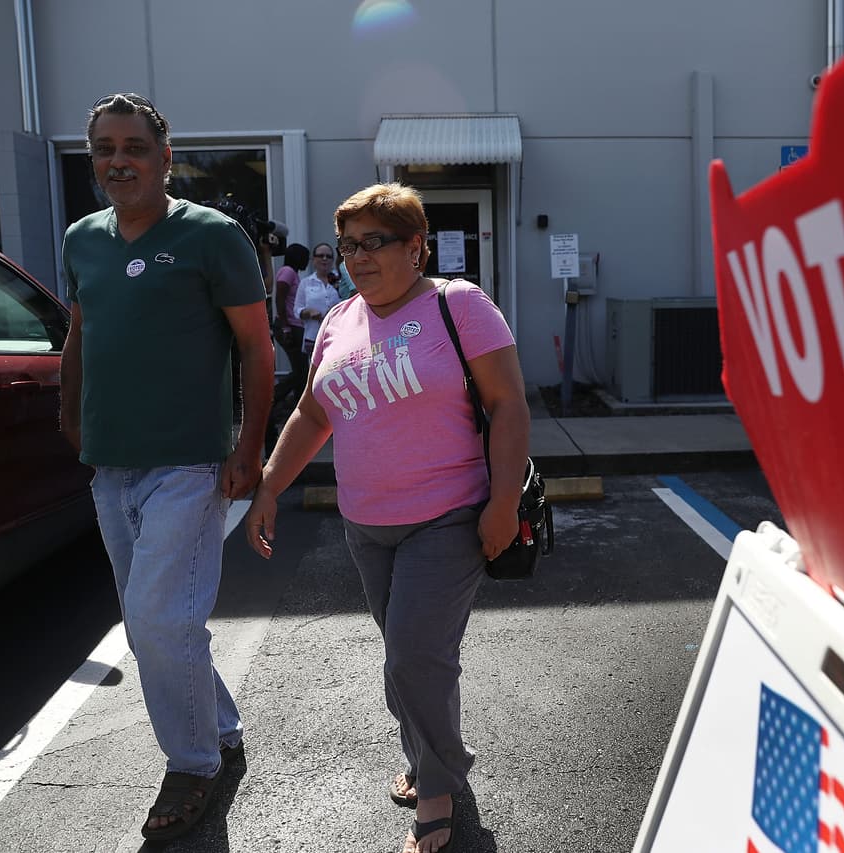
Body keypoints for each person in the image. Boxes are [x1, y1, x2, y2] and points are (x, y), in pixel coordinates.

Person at [244, 183, 529, 853]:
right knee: (413, 659)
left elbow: (509, 405)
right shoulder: (340, 320)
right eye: (349, 245)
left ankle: (439, 789)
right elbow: (314, 414)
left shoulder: (458, 306)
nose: (359, 258)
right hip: (366, 524)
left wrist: (503, 503)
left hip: (447, 518)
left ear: (415, 246)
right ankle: (427, 754)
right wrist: (267, 487)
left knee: (412, 656)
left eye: (376, 243)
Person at [59, 93, 274, 843]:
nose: (118, 161)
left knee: (157, 619)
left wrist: (249, 448)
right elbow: (81, 329)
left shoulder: (211, 236)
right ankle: (220, 724)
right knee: (159, 620)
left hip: (188, 460)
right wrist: (69, 408)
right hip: (109, 463)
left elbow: (255, 346)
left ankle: (195, 763)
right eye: (103, 149)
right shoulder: (82, 238)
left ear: (165, 157)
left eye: (134, 147)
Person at [271, 242, 311, 408]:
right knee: (301, 371)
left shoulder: (293, 274)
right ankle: (273, 399)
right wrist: (286, 328)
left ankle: (295, 403)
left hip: (295, 326)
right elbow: (279, 299)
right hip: (288, 327)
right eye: (305, 257)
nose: (307, 261)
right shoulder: (288, 272)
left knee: (302, 371)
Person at [292, 241, 343, 355]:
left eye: (328, 256)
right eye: (320, 255)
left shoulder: (341, 280)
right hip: (313, 336)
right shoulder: (306, 283)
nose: (324, 259)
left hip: (337, 336)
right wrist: (308, 312)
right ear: (313, 259)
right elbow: (297, 310)